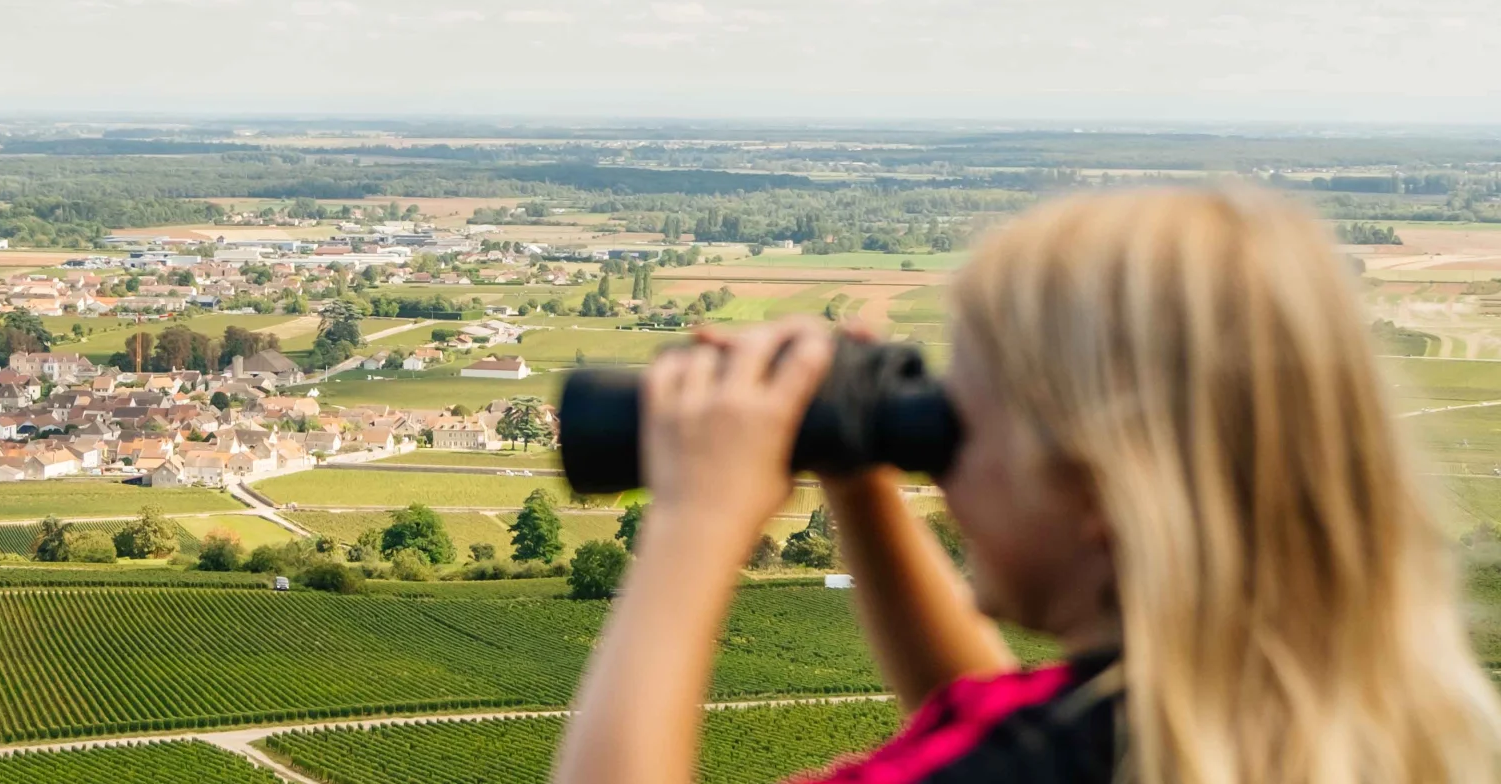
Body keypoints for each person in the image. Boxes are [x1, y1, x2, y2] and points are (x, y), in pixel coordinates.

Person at [552, 188, 1501, 784]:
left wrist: (692, 525)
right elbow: (983, 715)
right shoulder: (1331, 720)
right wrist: (859, 472)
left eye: (956, 423)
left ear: (1097, 486)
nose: (942, 461)